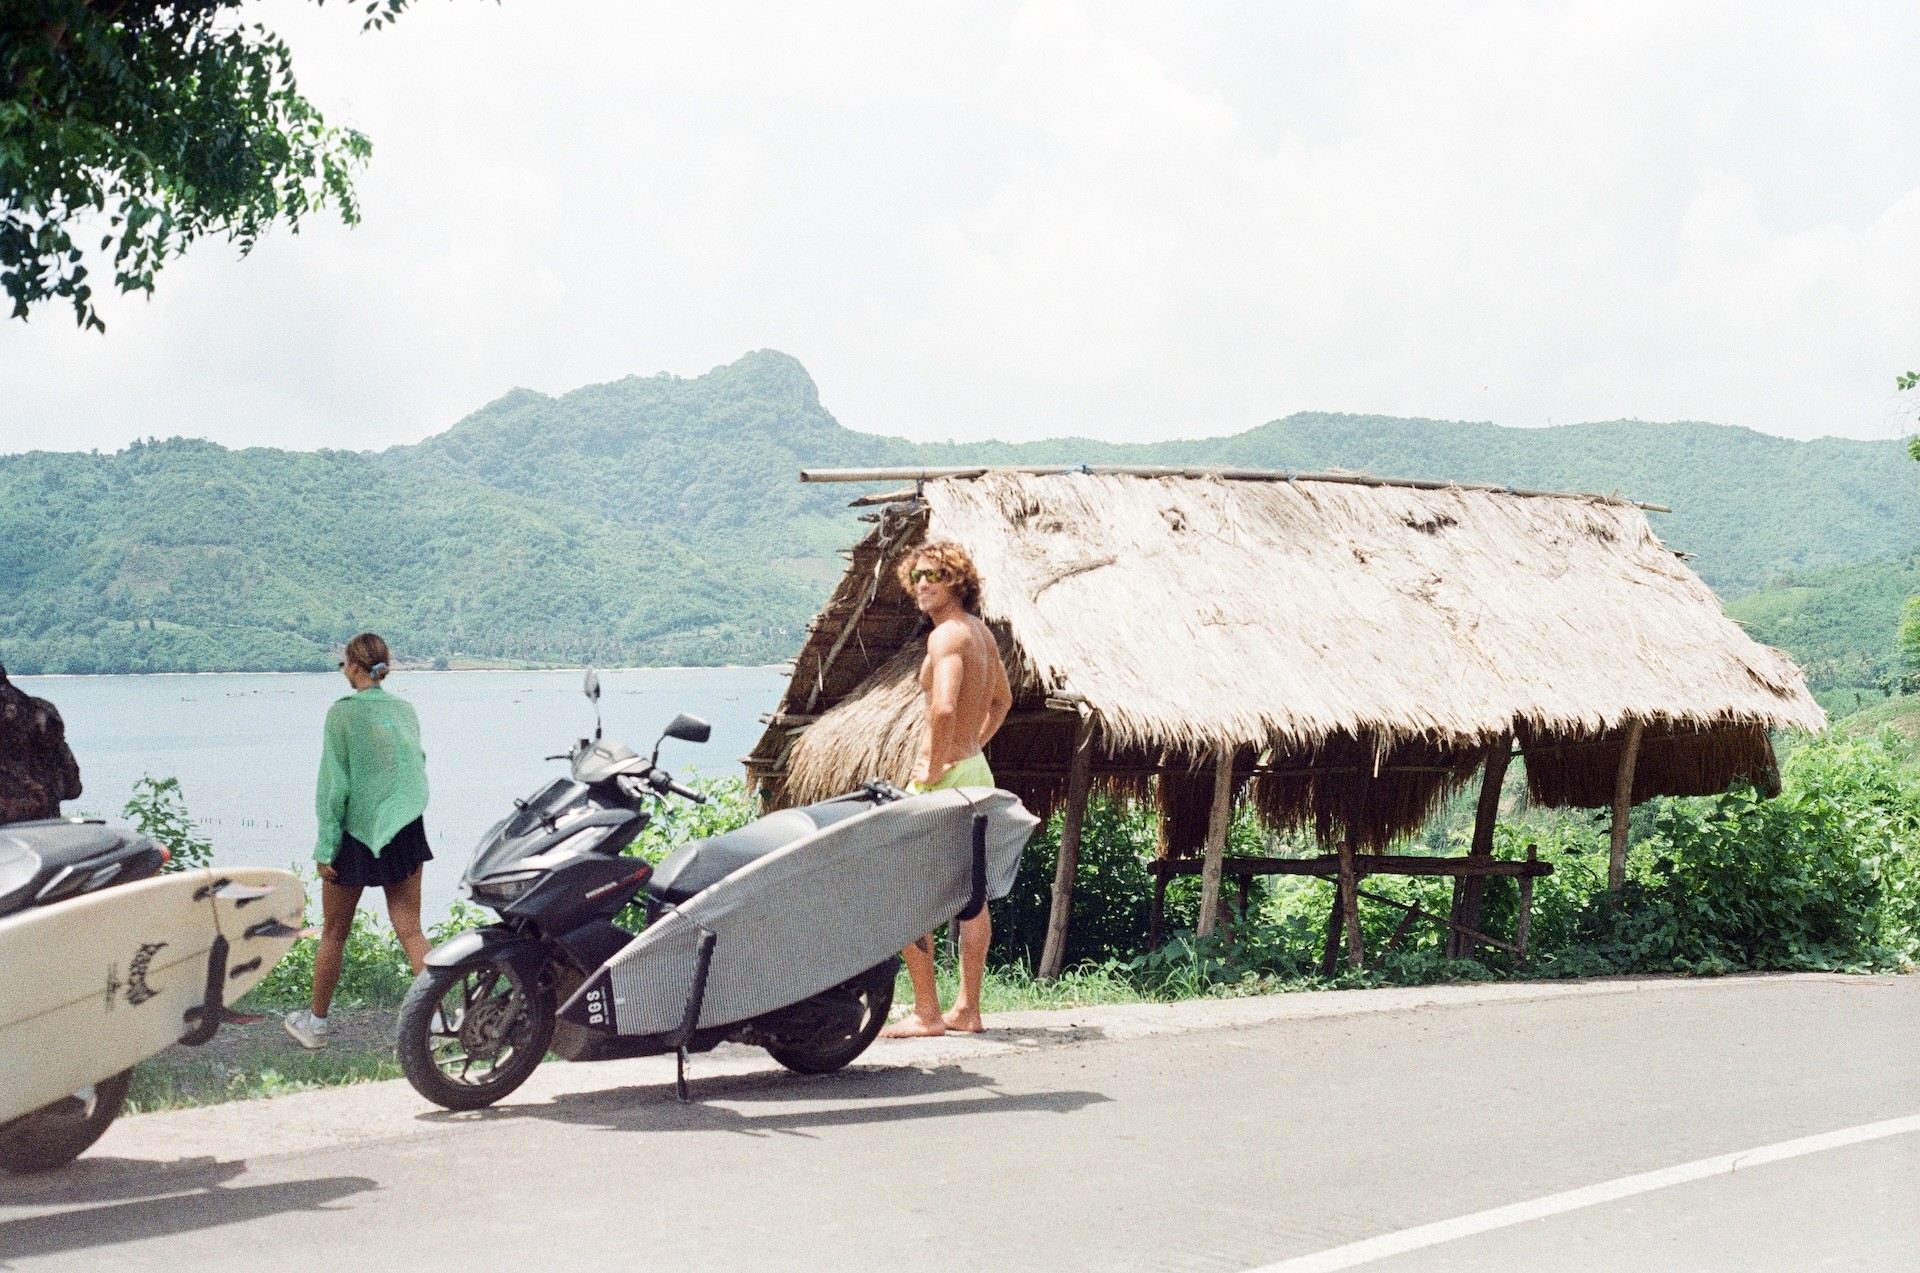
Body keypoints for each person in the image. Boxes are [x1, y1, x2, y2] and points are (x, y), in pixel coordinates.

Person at [881, 541, 1013, 1037]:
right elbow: (1001, 700)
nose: (922, 583)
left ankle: (926, 1013)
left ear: (957, 579)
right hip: (975, 772)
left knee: (908, 895)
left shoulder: (946, 639)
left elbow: (942, 707)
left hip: (946, 778)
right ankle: (968, 1010)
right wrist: (971, 748)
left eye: (933, 574)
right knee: (971, 895)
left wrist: (935, 766)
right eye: (915, 575)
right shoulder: (980, 634)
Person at [283, 633, 433, 1050]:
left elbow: (334, 786)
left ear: (352, 666)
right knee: (412, 932)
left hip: (353, 835)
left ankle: (314, 1026)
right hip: (404, 828)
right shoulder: (405, 710)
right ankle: (439, 1020)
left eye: (343, 665)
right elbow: (415, 767)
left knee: (333, 933)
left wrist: (324, 847)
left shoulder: (342, 714)